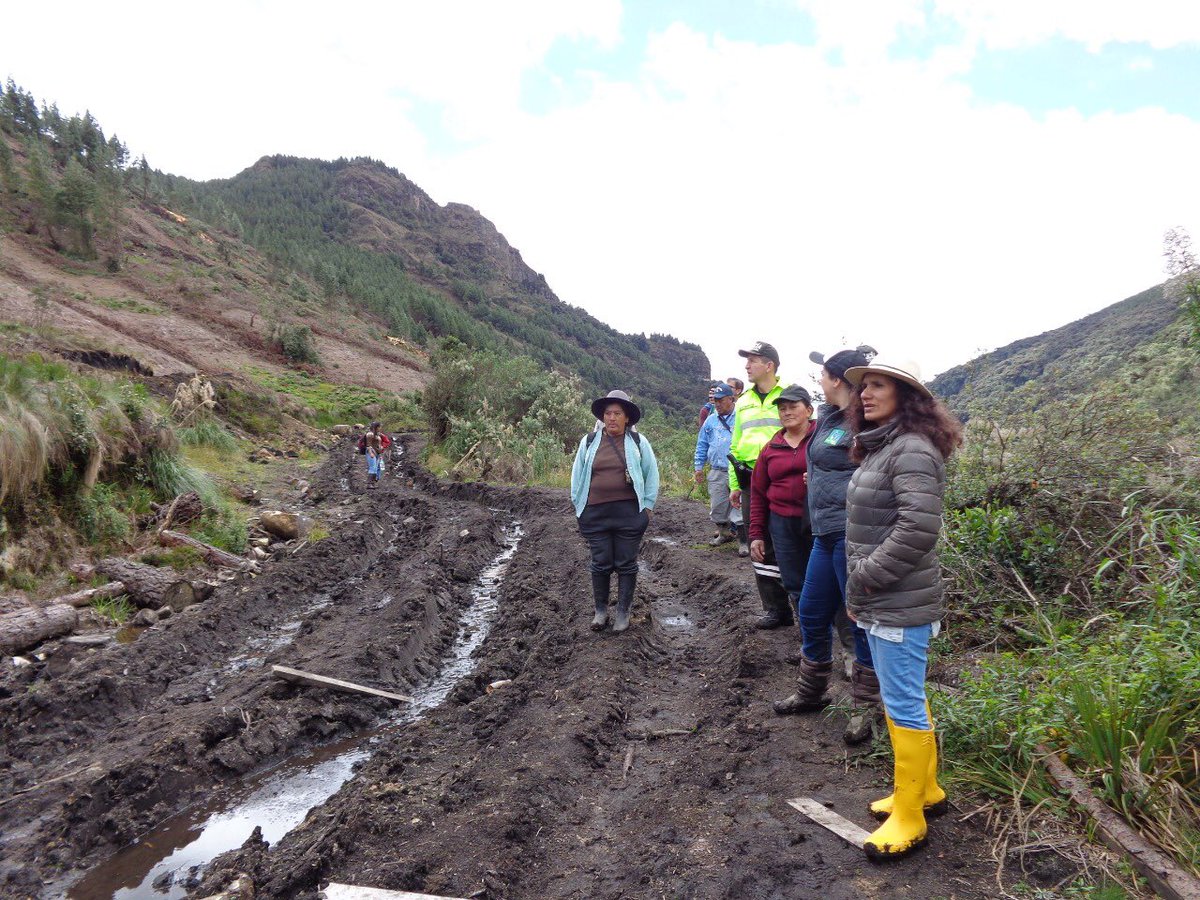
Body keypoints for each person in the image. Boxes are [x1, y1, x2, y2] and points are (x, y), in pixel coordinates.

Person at [842, 356, 962, 861]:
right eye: (863, 387)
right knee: (903, 697)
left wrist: (864, 577)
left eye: (878, 386)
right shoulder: (883, 446)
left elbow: (917, 530)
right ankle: (923, 791)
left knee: (904, 701)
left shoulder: (910, 449)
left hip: (895, 600)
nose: (866, 394)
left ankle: (910, 816)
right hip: (885, 598)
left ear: (905, 397)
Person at [773, 348, 880, 747]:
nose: (819, 380)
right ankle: (811, 690)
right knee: (812, 610)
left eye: (822, 375)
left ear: (838, 379)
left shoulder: (866, 419)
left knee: (857, 617)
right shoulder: (830, 417)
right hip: (823, 532)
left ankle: (865, 705)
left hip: (851, 533)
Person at [570, 390, 660, 634]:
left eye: (617, 413)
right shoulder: (588, 441)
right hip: (595, 513)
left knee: (626, 563)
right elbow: (577, 475)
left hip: (629, 513)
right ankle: (601, 611)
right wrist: (579, 507)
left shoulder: (639, 442)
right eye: (608, 413)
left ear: (627, 418)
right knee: (600, 562)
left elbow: (651, 474)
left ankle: (623, 612)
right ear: (602, 416)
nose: (612, 418)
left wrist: (648, 506)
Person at [727, 341, 792, 628]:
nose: (746, 366)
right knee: (758, 541)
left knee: (789, 541)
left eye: (752, 360)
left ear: (770, 365)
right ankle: (775, 609)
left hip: (784, 479)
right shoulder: (743, 402)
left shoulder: (791, 395)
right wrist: (735, 483)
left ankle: (803, 608)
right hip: (751, 479)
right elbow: (736, 443)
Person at [748, 385, 817, 630]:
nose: (786, 412)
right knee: (793, 579)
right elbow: (758, 493)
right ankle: (808, 634)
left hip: (818, 521)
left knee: (820, 578)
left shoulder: (822, 440)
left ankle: (827, 629)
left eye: (793, 407)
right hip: (782, 522)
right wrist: (756, 533)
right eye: (782, 408)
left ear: (808, 410)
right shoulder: (771, 448)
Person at [693, 382, 740, 545]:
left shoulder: (741, 418)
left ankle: (744, 541)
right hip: (717, 470)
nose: (717, 404)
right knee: (718, 505)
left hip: (738, 470)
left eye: (721, 400)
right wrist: (698, 466)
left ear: (731, 399)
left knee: (740, 507)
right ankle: (724, 533)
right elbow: (702, 444)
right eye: (715, 400)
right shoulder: (710, 421)